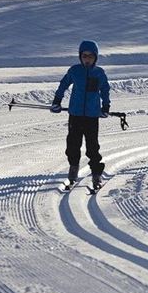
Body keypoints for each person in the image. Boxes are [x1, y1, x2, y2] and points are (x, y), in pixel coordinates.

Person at [51, 40, 111, 189]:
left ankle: (96, 174)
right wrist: (57, 100)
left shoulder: (99, 73)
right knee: (72, 144)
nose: (87, 59)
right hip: (76, 115)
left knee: (92, 147)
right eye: (84, 56)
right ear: (80, 56)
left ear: (95, 57)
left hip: (92, 116)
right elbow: (63, 85)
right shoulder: (74, 71)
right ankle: (73, 168)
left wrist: (106, 106)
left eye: (91, 56)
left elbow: (105, 90)